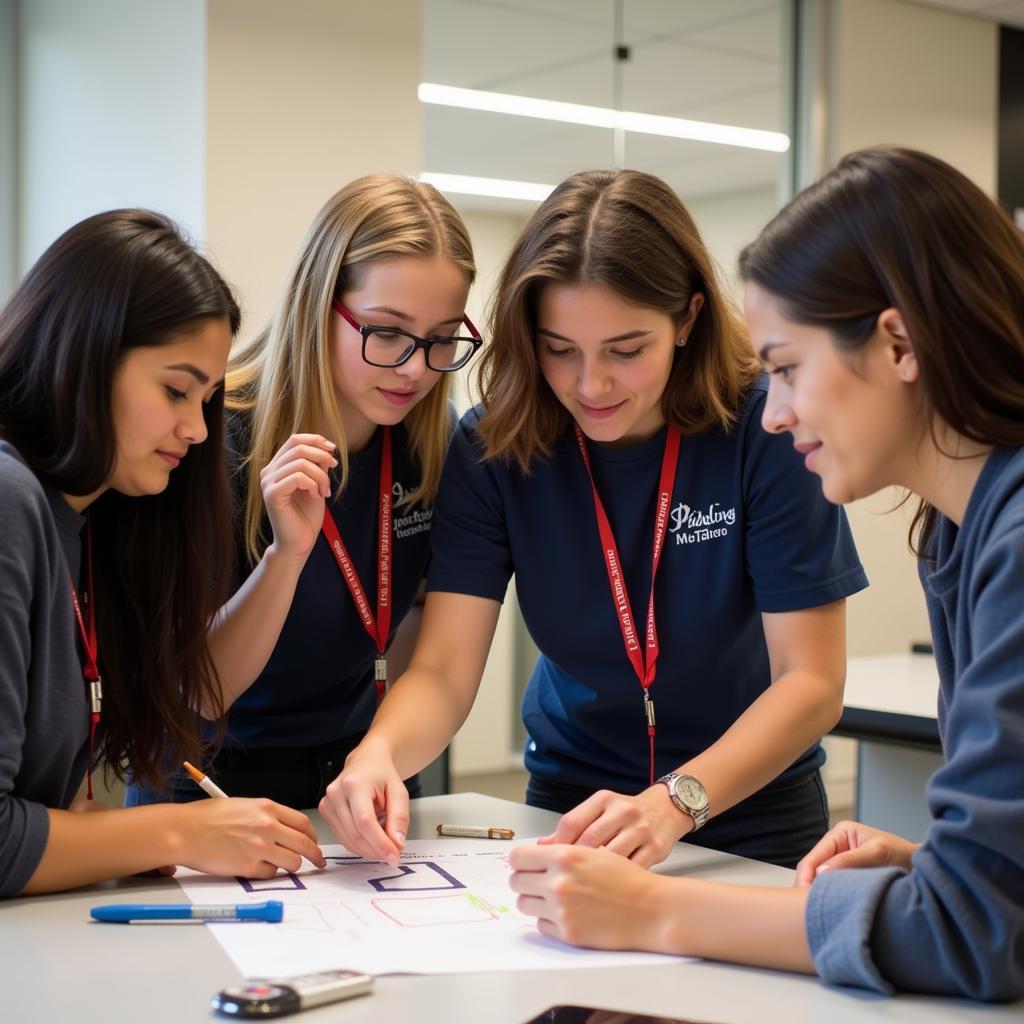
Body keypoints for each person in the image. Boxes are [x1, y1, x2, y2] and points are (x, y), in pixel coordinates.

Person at [507, 147, 1024, 1002]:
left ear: (897, 343)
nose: (775, 413)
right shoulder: (958, 535)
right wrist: (937, 865)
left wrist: (653, 912)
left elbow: (972, 935)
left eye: (785, 368)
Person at [323, 169, 867, 870]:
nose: (592, 384)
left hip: (747, 811)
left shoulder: (767, 427)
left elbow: (811, 683)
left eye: (626, 349)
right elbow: (444, 671)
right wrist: (379, 754)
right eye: (559, 349)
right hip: (570, 806)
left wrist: (675, 802)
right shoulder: (496, 446)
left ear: (688, 320)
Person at [127, 175, 480, 810]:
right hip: (209, 786)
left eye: (441, 339)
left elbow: (415, 640)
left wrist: (382, 755)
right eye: (387, 332)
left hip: (358, 772)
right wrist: (283, 559)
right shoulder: (209, 433)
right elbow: (201, 692)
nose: (414, 369)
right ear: (321, 304)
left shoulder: (432, 440)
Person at [0, 209, 325, 898]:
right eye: (176, 390)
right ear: (83, 355)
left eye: (207, 398)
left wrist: (88, 839)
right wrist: (178, 832)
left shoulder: (93, 521)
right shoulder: (9, 500)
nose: (197, 430)